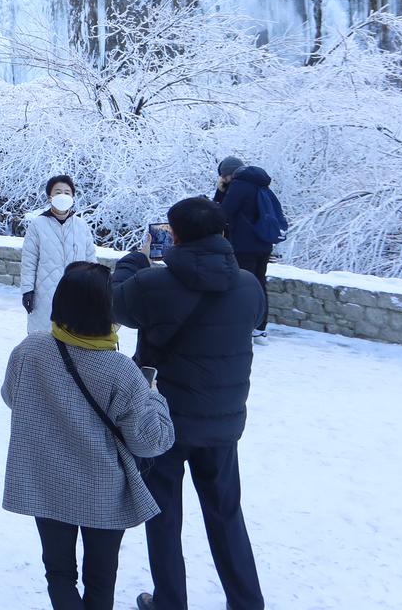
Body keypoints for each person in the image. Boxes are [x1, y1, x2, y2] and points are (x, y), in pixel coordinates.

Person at [113, 197, 266, 610]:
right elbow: (255, 320)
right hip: (222, 422)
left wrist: (134, 260)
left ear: (174, 235)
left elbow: (113, 303)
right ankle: (247, 602)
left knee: (163, 516)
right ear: (223, 233)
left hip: (164, 421)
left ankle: (169, 601)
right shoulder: (249, 286)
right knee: (226, 514)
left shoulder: (153, 285)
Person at [2, 262, 175, 610]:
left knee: (59, 573)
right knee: (101, 578)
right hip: (103, 489)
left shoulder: (30, 350)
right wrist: (153, 393)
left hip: (46, 480)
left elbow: (11, 397)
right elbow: (151, 441)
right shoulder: (121, 370)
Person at [213, 157, 283, 338]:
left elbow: (222, 214)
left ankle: (242, 327)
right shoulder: (259, 184)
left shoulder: (239, 186)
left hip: (244, 246)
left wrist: (219, 194)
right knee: (259, 284)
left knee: (242, 286)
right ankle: (260, 327)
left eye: (222, 176)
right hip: (263, 244)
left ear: (228, 174)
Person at [20, 175, 97, 334]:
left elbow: (91, 261)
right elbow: (29, 260)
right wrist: (27, 290)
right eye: (58, 192)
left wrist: (95, 288)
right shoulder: (38, 225)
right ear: (50, 196)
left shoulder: (81, 226)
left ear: (73, 197)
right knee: (44, 337)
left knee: (75, 338)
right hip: (45, 294)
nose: (63, 196)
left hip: (77, 293)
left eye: (67, 192)